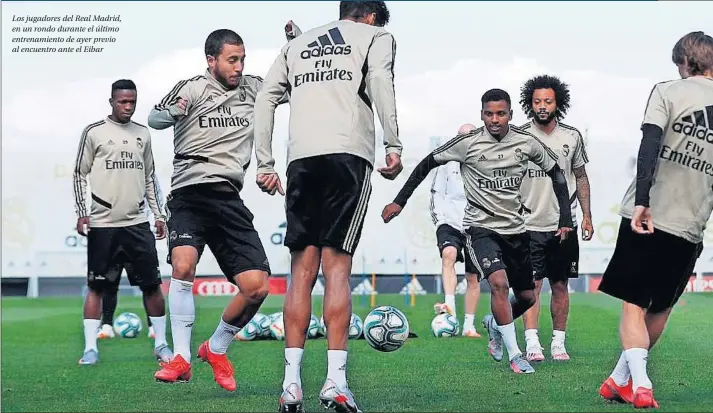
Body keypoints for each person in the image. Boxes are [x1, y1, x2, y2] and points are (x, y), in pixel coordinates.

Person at [254, 2, 401, 411]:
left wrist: (264, 162)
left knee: (301, 270)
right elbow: (380, 82)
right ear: (371, 16)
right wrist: (393, 144)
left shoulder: (298, 43)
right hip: (347, 156)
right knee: (337, 268)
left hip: (301, 159)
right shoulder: (376, 37)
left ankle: (290, 385)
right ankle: (335, 383)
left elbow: (266, 98)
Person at [382, 88, 574, 375]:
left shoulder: (526, 143)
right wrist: (399, 201)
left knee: (527, 297)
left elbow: (557, 173)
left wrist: (566, 217)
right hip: (480, 229)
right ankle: (515, 354)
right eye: (488, 114)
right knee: (498, 283)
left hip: (516, 230)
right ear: (481, 114)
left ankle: (495, 324)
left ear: (511, 114)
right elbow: (427, 163)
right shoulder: (468, 143)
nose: (494, 119)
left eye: (500, 113)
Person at [149, 27, 295, 391]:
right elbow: (155, 117)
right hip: (189, 194)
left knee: (257, 287)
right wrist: (174, 110)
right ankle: (181, 357)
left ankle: (215, 348)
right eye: (232, 60)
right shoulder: (193, 88)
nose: (239, 67)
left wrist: (294, 46)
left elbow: (296, 85)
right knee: (183, 264)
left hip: (228, 198)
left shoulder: (253, 88)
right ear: (211, 60)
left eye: (242, 59)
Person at [597, 31, 713, 409]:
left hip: (648, 216)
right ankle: (618, 381)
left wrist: (643, 200)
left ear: (684, 62)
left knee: (633, 302)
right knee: (660, 306)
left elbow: (648, 146)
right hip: (690, 223)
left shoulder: (668, 91)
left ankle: (641, 383)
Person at [72, 79, 172, 365]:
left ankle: (162, 344)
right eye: (123, 102)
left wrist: (159, 214)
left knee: (152, 285)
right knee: (96, 286)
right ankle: (90, 348)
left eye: (132, 102)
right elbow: (79, 173)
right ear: (112, 101)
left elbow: (150, 177)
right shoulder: (94, 133)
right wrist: (82, 211)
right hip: (103, 225)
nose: (128, 107)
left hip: (138, 224)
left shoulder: (143, 134)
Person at [517, 75, 593, 362]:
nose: (542, 106)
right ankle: (532, 343)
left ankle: (558, 343)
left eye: (547, 101)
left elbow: (581, 177)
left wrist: (586, 216)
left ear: (558, 103)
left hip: (564, 225)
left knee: (560, 284)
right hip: (528, 224)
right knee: (531, 285)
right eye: (537, 101)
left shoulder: (571, 136)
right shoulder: (519, 136)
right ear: (529, 104)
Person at [430, 125, 482, 338]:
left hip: (475, 225)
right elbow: (436, 193)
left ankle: (469, 326)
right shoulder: (446, 163)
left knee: (472, 276)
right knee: (448, 254)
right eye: (462, 136)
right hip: (449, 223)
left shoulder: (483, 163)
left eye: (470, 136)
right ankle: (449, 307)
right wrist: (440, 221)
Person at [99, 180, 166, 340]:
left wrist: (153, 219)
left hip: (138, 233)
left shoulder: (145, 169)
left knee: (149, 284)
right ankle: (106, 326)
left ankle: (153, 327)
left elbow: (156, 196)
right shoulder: (110, 172)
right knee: (109, 282)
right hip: (112, 234)